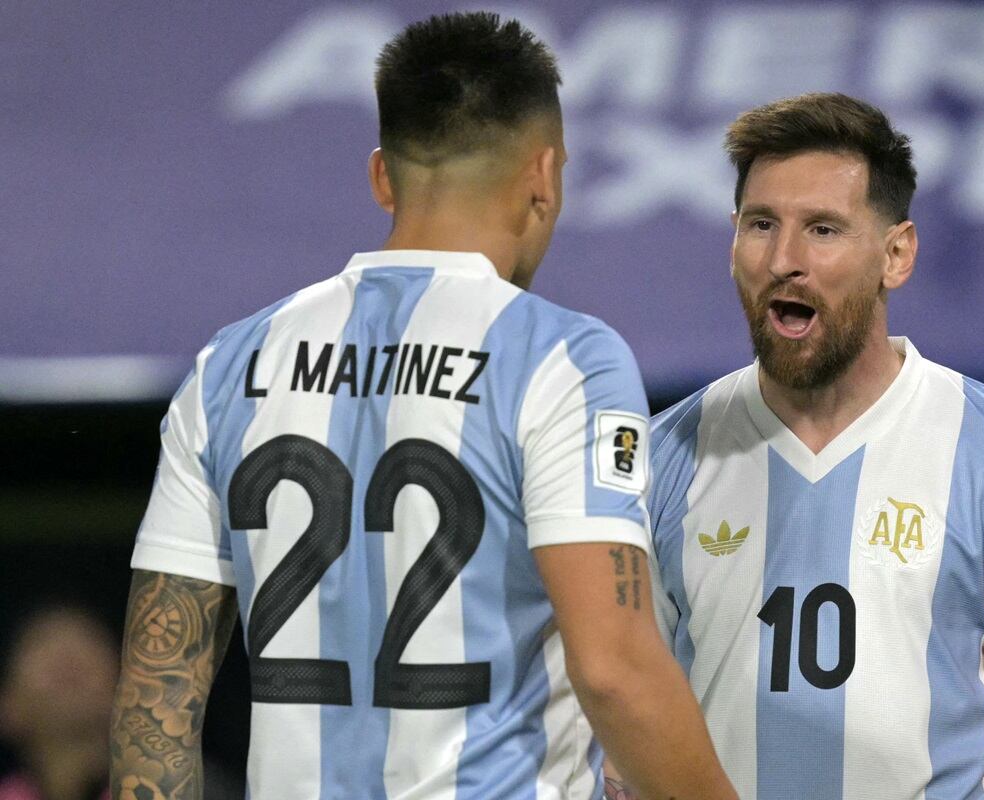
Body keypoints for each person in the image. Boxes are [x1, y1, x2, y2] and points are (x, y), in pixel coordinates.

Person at [109, 12, 735, 800]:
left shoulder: (230, 363)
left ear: (381, 176)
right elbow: (614, 670)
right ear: (543, 178)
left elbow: (155, 701)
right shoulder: (562, 357)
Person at [637, 93, 984, 799]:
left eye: (823, 229)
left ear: (896, 254)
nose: (785, 259)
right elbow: (623, 705)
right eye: (762, 224)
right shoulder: (659, 457)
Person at [0, 605, 115, 800]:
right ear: (8, 705)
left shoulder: (163, 790)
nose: (66, 652)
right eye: (40, 641)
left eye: (87, 637)